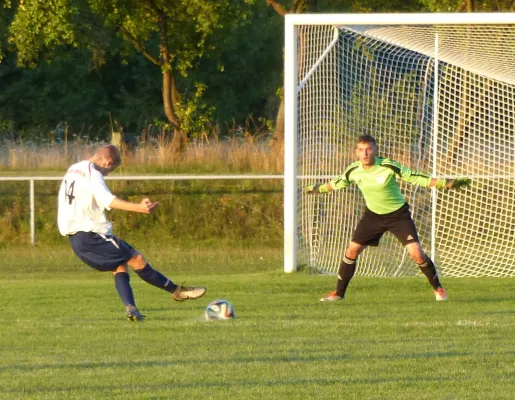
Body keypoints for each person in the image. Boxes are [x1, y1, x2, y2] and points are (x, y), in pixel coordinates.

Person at [304, 135, 471, 303]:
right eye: (361, 150)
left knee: (417, 254)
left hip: (398, 216)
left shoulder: (388, 165)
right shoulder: (353, 170)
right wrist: (318, 189)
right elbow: (336, 183)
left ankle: (438, 288)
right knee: (352, 251)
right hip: (373, 216)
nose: (365, 153)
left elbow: (414, 176)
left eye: (368, 149)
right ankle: (338, 294)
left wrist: (443, 183)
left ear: (376, 150)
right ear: (356, 152)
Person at [57, 144, 206, 321]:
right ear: (108, 162)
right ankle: (176, 291)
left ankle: (131, 309)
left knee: (119, 265)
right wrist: (139, 208)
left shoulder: (74, 168)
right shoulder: (94, 174)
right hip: (91, 234)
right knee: (137, 259)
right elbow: (109, 200)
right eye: (110, 170)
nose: (107, 174)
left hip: (76, 239)